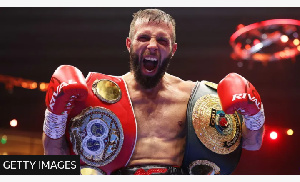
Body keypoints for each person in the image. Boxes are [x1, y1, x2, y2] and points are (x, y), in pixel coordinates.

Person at [42, 9, 265, 175]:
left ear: (173, 49)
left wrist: (255, 115)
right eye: (143, 37)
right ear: (129, 44)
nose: (152, 45)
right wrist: (54, 114)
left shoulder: (195, 98)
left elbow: (252, 144)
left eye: (161, 40)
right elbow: (55, 159)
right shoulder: (95, 96)